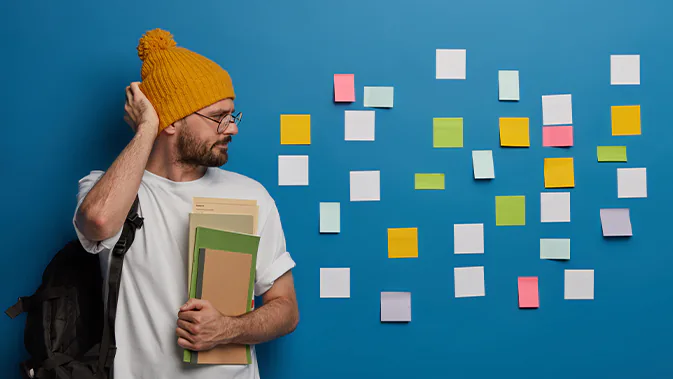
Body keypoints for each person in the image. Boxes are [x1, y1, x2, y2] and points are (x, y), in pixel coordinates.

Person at [73, 28, 299, 379]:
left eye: (233, 115)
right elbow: (98, 222)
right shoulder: (106, 189)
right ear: (172, 122)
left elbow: (286, 309)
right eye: (218, 116)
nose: (232, 128)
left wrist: (227, 328)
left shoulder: (251, 195)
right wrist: (148, 126)